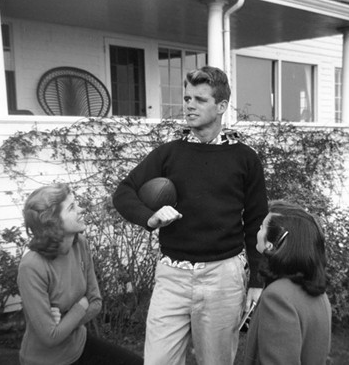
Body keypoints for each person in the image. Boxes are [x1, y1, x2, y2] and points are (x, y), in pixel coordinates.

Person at [112, 66, 268, 365]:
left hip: (223, 277)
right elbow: (124, 193)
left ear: (221, 106)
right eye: (187, 98)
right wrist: (151, 217)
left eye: (199, 99)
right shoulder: (169, 154)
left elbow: (257, 220)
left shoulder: (244, 158)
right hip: (172, 276)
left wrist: (258, 281)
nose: (189, 105)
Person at [17, 183, 143, 365]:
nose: (81, 209)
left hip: (79, 345)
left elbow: (96, 302)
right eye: (72, 208)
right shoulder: (31, 267)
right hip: (45, 360)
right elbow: (50, 337)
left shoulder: (80, 244)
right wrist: (81, 306)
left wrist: (65, 322)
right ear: (53, 222)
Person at [244, 200, 332, 365]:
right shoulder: (320, 295)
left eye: (262, 227)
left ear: (272, 243)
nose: (258, 231)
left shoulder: (277, 296)